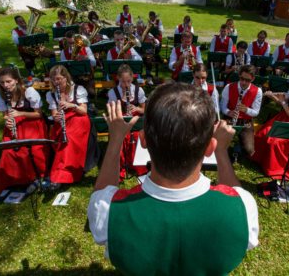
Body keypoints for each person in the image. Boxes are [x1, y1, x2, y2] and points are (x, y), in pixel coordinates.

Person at [88, 83, 258, 275]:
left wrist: (116, 140)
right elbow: (234, 194)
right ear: (210, 148)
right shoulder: (244, 206)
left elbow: (101, 194)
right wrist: (221, 151)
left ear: (142, 140)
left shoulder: (109, 209)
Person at [0, 67, 50, 193]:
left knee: (33, 149)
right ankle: (18, 179)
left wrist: (20, 113)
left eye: (8, 81)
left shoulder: (29, 91)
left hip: (33, 122)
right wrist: (7, 120)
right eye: (2, 82)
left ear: (17, 80)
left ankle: (38, 176)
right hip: (15, 123)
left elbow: (38, 114)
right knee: (9, 151)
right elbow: (5, 114)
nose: (5, 85)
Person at [46, 65, 92, 189]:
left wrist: (71, 105)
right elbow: (54, 113)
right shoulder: (51, 94)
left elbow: (84, 111)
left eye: (59, 79)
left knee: (70, 139)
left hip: (78, 119)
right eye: (54, 79)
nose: (56, 82)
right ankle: (65, 172)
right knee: (59, 139)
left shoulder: (78, 89)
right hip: (62, 121)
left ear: (66, 78)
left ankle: (61, 175)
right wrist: (56, 117)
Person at [107, 64, 147, 179]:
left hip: (135, 120)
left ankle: (138, 165)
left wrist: (137, 109)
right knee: (121, 137)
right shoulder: (113, 92)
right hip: (120, 120)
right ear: (118, 79)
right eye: (123, 82)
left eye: (128, 81)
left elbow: (145, 109)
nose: (126, 85)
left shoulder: (138, 90)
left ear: (132, 78)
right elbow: (112, 112)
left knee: (137, 135)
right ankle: (122, 166)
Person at [220, 65, 262, 156]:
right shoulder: (229, 87)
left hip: (246, 121)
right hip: (229, 118)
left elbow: (256, 112)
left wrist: (246, 110)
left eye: (247, 80)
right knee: (220, 145)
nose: (243, 82)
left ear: (253, 79)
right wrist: (228, 112)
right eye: (242, 78)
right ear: (239, 75)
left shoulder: (258, 91)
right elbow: (222, 106)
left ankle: (239, 142)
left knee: (249, 151)